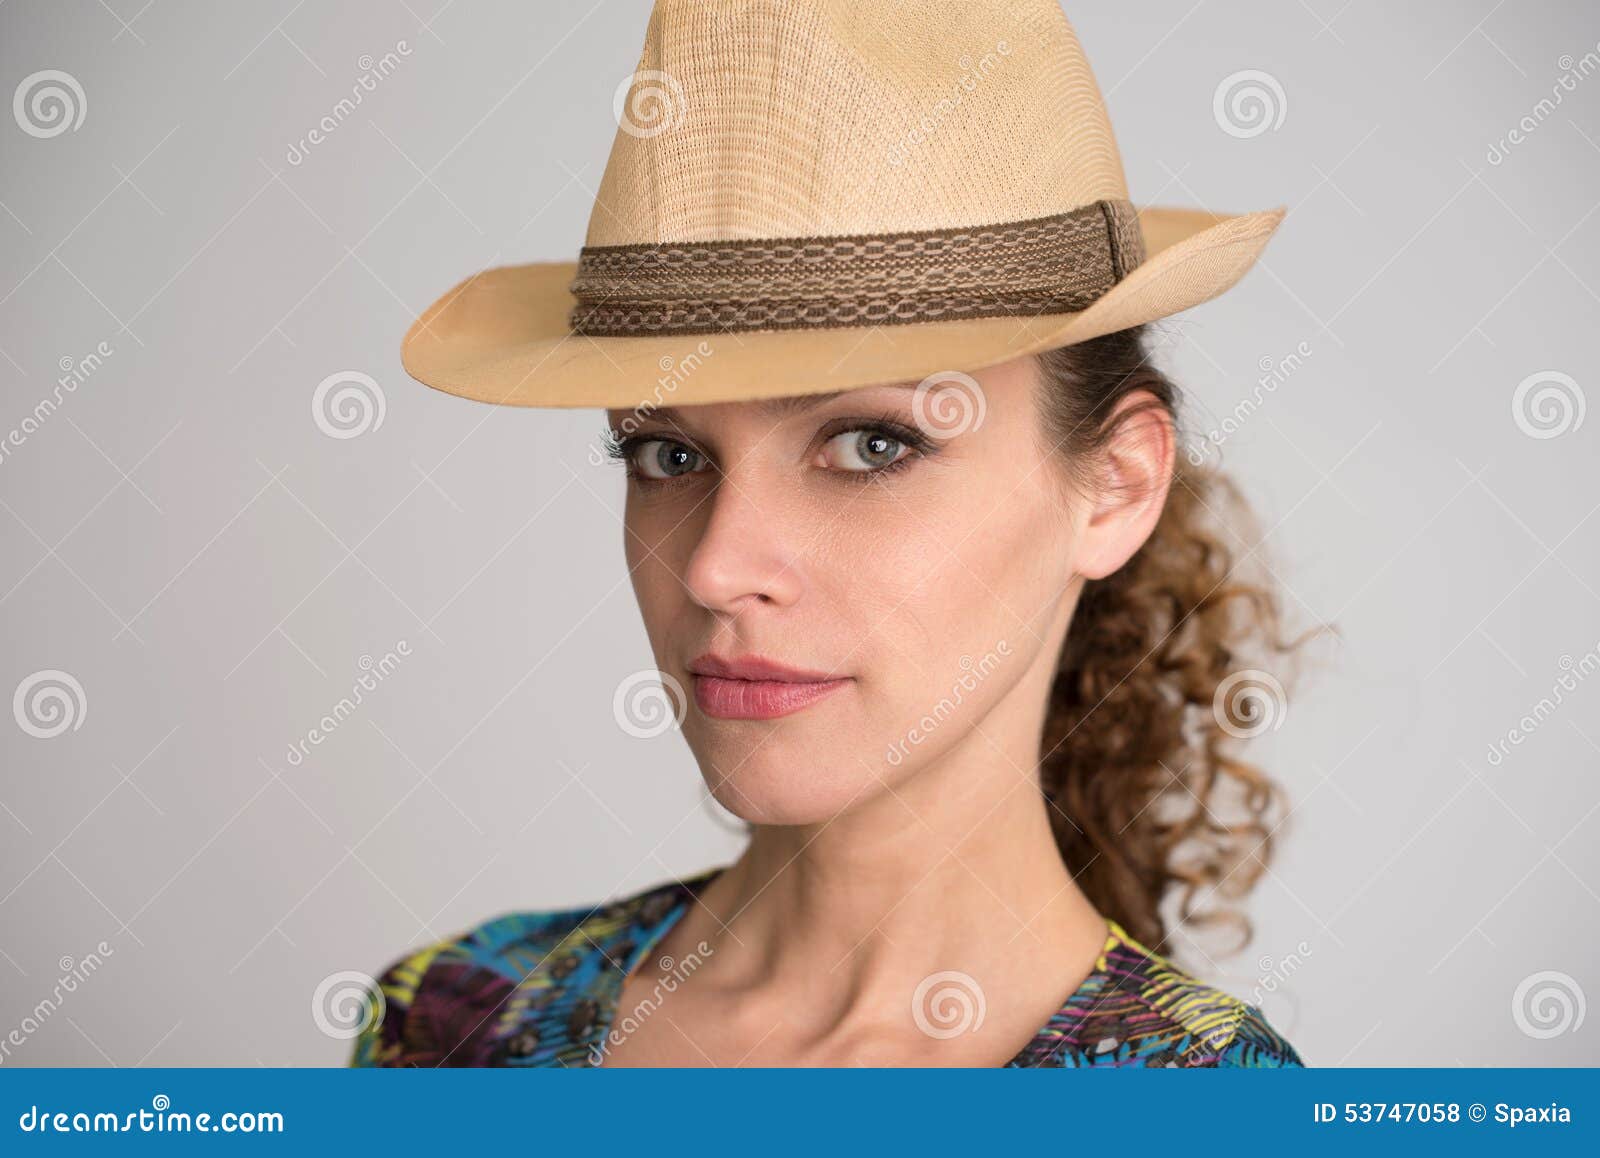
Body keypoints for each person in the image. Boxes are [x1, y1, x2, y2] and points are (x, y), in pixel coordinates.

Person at [351, 0, 1308, 1068]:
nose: (713, 568)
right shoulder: (446, 1025)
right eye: (668, 455)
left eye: (869, 446)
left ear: (1116, 487)